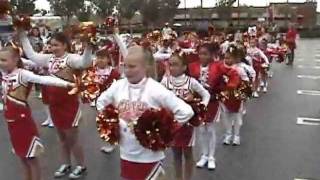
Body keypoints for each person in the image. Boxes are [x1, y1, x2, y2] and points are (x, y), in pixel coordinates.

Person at [96, 45, 194, 180]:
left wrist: (164, 131)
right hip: (126, 153)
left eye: (132, 67)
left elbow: (186, 111)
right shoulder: (118, 86)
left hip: (149, 156)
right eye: (125, 66)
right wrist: (112, 123)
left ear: (145, 67)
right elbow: (100, 102)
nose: (127, 70)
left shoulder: (155, 89)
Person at [19, 30, 93, 179]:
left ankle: (81, 165)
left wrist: (89, 47)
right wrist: (21, 34)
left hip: (69, 104)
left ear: (65, 45)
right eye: (51, 45)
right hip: (54, 104)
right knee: (62, 137)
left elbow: (85, 62)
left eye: (57, 45)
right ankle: (66, 163)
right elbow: (31, 55)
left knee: (72, 138)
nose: (53, 48)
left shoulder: (71, 59)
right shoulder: (48, 59)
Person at [0, 46, 75, 180]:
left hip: (23, 122)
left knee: (31, 159)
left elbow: (45, 80)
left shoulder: (22, 74)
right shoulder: (4, 73)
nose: (1, 63)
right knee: (22, 158)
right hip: (12, 123)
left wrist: (67, 84)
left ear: (15, 59)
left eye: (4, 60)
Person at [188, 43, 240, 170]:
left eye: (205, 54)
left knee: (210, 129)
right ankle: (204, 155)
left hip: (212, 102)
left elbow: (233, 74)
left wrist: (230, 87)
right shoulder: (193, 66)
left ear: (211, 55)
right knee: (201, 129)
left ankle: (211, 156)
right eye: (200, 54)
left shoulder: (218, 66)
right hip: (198, 102)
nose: (202, 56)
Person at [161, 51, 210, 180]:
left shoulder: (191, 82)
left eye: (176, 65)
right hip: (172, 123)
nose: (172, 68)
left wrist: (201, 107)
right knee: (176, 154)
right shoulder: (165, 81)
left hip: (187, 124)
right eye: (170, 65)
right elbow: (157, 97)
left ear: (184, 67)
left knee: (188, 153)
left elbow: (206, 94)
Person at [221, 45, 255, 145]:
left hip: (236, 95)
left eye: (229, 58)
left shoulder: (240, 69)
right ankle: (228, 134)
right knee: (226, 115)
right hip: (226, 95)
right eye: (225, 57)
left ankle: (236, 136)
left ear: (236, 58)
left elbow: (248, 79)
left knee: (237, 116)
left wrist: (242, 92)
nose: (226, 60)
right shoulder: (222, 68)